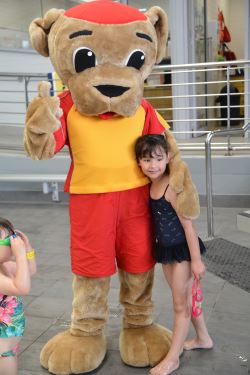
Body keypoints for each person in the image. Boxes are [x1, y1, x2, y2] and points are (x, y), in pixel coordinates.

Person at [135, 134, 213, 375]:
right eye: (147, 160)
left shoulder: (172, 187)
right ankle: (203, 338)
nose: (153, 165)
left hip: (184, 252)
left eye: (158, 158)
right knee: (185, 298)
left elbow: (189, 227)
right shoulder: (151, 184)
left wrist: (197, 261)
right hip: (167, 251)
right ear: (139, 162)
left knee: (180, 306)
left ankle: (172, 359)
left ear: (168, 157)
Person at [0, 217, 37, 375]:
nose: (14, 245)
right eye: (8, 242)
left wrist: (27, 249)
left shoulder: (5, 265)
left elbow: (30, 271)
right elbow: (21, 288)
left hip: (9, 338)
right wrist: (20, 255)